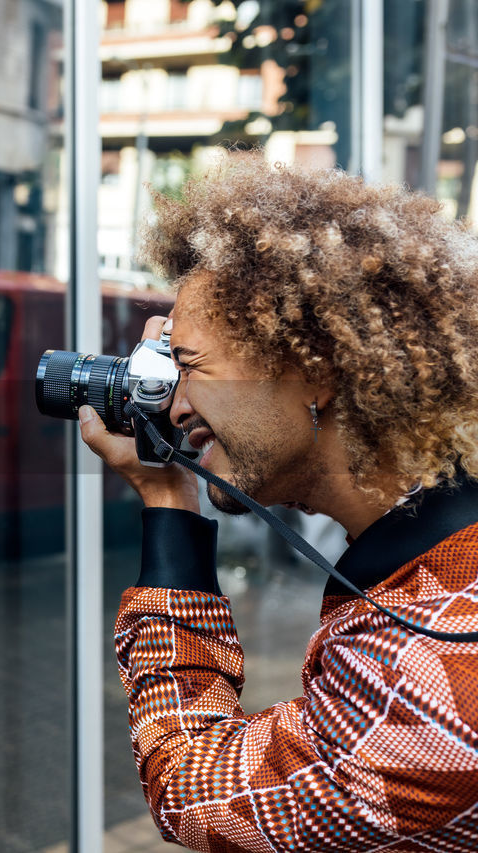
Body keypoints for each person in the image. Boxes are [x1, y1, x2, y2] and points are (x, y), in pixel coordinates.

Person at [78, 154, 478, 851]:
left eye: (191, 366)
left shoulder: (423, 681)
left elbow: (193, 791)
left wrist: (168, 501)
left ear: (314, 369)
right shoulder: (439, 563)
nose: (172, 407)